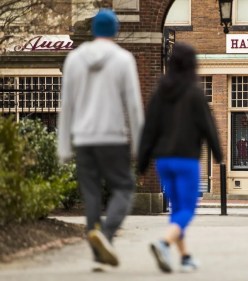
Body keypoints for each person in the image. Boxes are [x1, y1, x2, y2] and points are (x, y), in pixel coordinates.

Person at [57, 9, 144, 269]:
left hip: (84, 139)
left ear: (94, 30)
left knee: (92, 194)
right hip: (113, 138)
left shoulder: (74, 60)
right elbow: (134, 106)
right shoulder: (123, 59)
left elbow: (67, 106)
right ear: (115, 31)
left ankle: (98, 253)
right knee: (124, 188)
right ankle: (105, 236)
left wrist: (63, 147)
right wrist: (140, 146)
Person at [137, 42, 223, 273]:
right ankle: (163, 243)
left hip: (163, 161)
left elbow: (149, 129)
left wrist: (142, 162)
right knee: (187, 210)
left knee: (176, 209)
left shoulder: (159, 93)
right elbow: (208, 126)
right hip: (186, 160)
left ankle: (185, 257)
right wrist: (218, 154)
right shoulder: (195, 93)